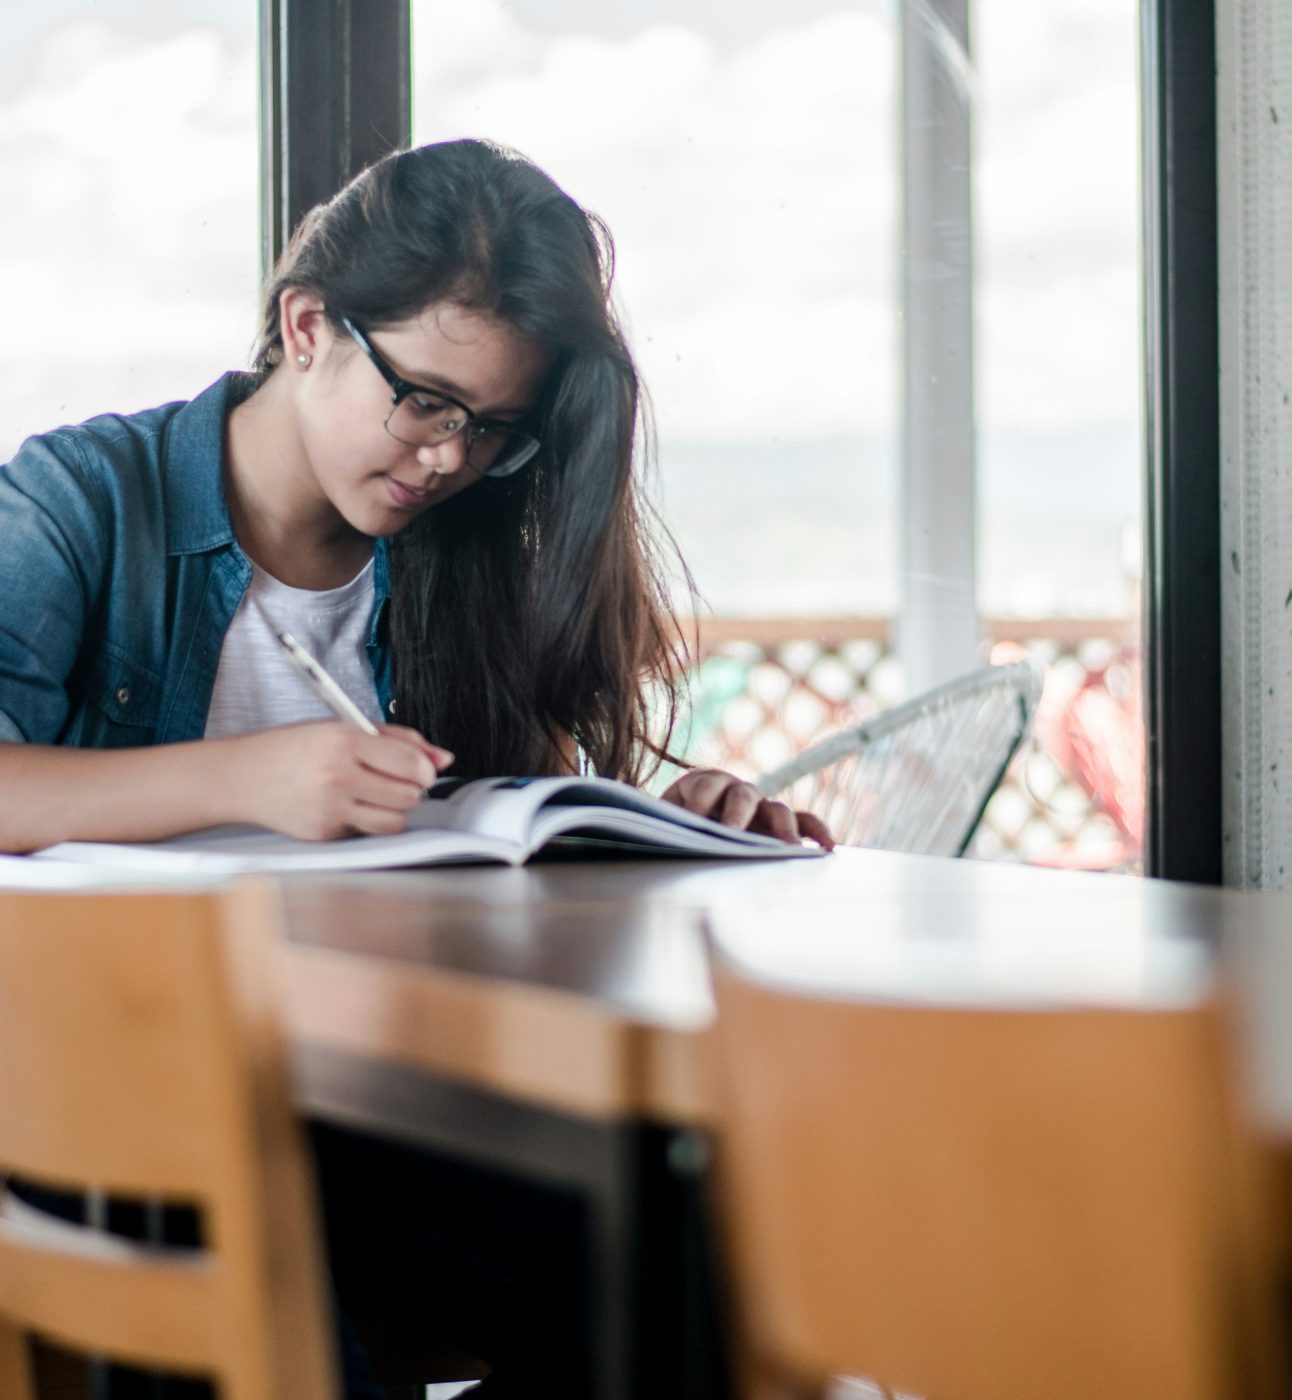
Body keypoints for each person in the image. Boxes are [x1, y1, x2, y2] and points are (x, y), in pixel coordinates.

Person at [1, 138, 831, 1396]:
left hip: (373, 1102)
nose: (448, 456)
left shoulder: (462, 551)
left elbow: (488, 844)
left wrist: (648, 829)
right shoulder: (79, 500)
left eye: (493, 429)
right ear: (307, 326)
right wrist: (247, 780)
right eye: (427, 400)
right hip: (108, 1098)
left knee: (694, 1280)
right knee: (263, 1289)